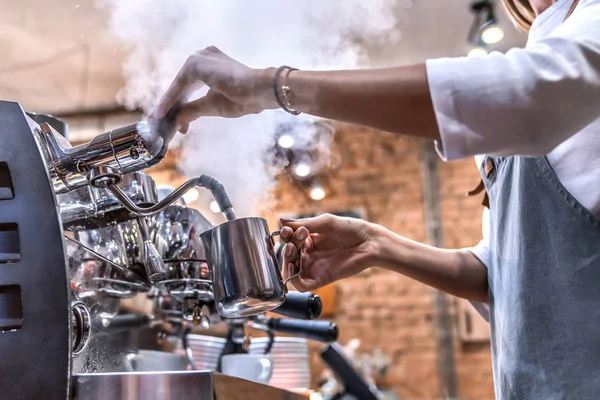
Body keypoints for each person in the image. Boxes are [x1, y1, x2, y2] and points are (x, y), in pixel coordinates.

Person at [153, 0, 600, 398]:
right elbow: (506, 277)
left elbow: (524, 94)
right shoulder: (549, 44)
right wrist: (376, 244)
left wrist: (272, 87)